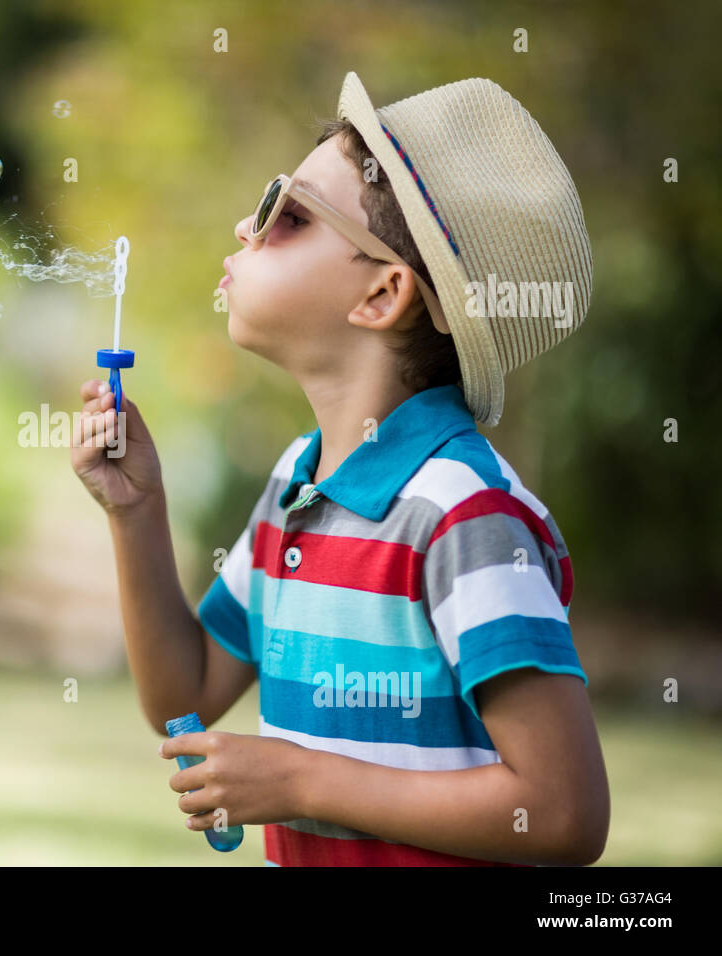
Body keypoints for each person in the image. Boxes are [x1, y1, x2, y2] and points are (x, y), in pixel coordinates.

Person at [70, 72, 609, 866]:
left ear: (382, 294)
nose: (245, 227)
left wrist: (300, 781)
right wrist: (135, 514)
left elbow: (563, 814)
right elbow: (183, 696)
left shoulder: (463, 513)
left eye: (284, 213)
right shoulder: (300, 481)